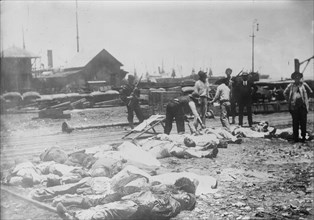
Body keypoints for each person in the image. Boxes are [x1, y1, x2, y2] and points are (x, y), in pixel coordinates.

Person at [284, 69, 312, 142]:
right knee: (295, 122)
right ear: (294, 78)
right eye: (295, 77)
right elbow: (285, 93)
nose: (297, 78)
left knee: (303, 122)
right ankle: (295, 138)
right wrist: (289, 101)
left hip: (303, 106)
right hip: (294, 107)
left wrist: (306, 100)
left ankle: (303, 137)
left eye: (298, 77)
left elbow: (310, 91)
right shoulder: (291, 85)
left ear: (300, 78)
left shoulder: (304, 85)